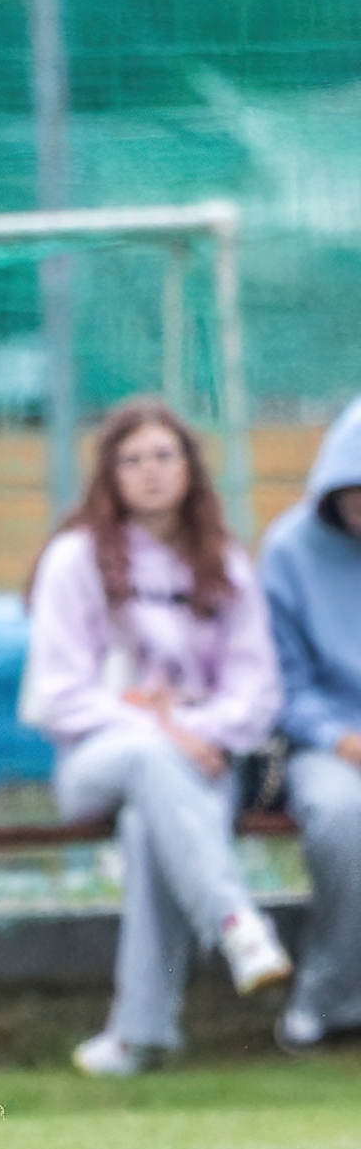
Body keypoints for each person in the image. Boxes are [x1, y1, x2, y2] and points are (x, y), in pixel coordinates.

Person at [21, 397, 290, 1076]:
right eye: (132, 459)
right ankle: (235, 922)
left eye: (164, 456)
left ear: (189, 468)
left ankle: (141, 1036)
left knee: (151, 826)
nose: (150, 471)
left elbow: (256, 688)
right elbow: (60, 694)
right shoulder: (74, 560)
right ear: (109, 475)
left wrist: (196, 730)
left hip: (202, 761)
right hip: (98, 757)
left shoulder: (223, 563)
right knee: (148, 758)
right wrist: (164, 728)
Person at [259, 397, 361, 1051]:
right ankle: (327, 999)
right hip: (324, 744)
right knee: (345, 816)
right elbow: (280, 685)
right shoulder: (288, 551)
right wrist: (341, 738)